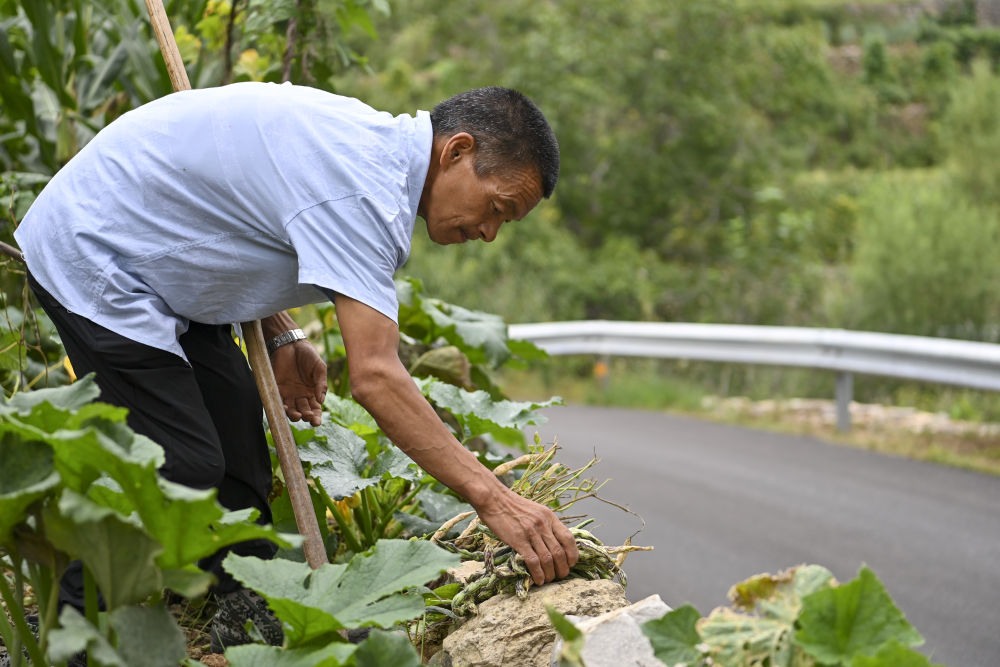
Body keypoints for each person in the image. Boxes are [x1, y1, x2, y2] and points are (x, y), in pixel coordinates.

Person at [12, 82, 578, 651]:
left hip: (160, 255)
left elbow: (245, 211)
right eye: (497, 208)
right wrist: (495, 499)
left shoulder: (371, 152)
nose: (489, 233)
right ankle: (60, 635)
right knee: (181, 464)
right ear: (456, 151)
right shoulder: (365, 190)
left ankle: (247, 601)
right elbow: (376, 377)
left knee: (236, 426)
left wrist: (282, 331)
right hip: (97, 251)